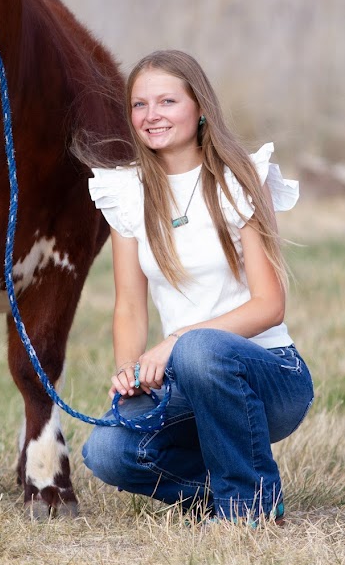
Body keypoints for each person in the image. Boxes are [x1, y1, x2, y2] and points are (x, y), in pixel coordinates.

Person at [82, 50, 314, 524]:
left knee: (200, 350)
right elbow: (129, 305)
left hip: (268, 374)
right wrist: (128, 371)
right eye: (140, 105)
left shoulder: (240, 178)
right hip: (186, 377)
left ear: (200, 107)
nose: (152, 116)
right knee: (107, 451)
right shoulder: (127, 192)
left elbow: (270, 306)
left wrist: (175, 342)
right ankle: (236, 483)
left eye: (167, 101)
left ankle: (248, 505)